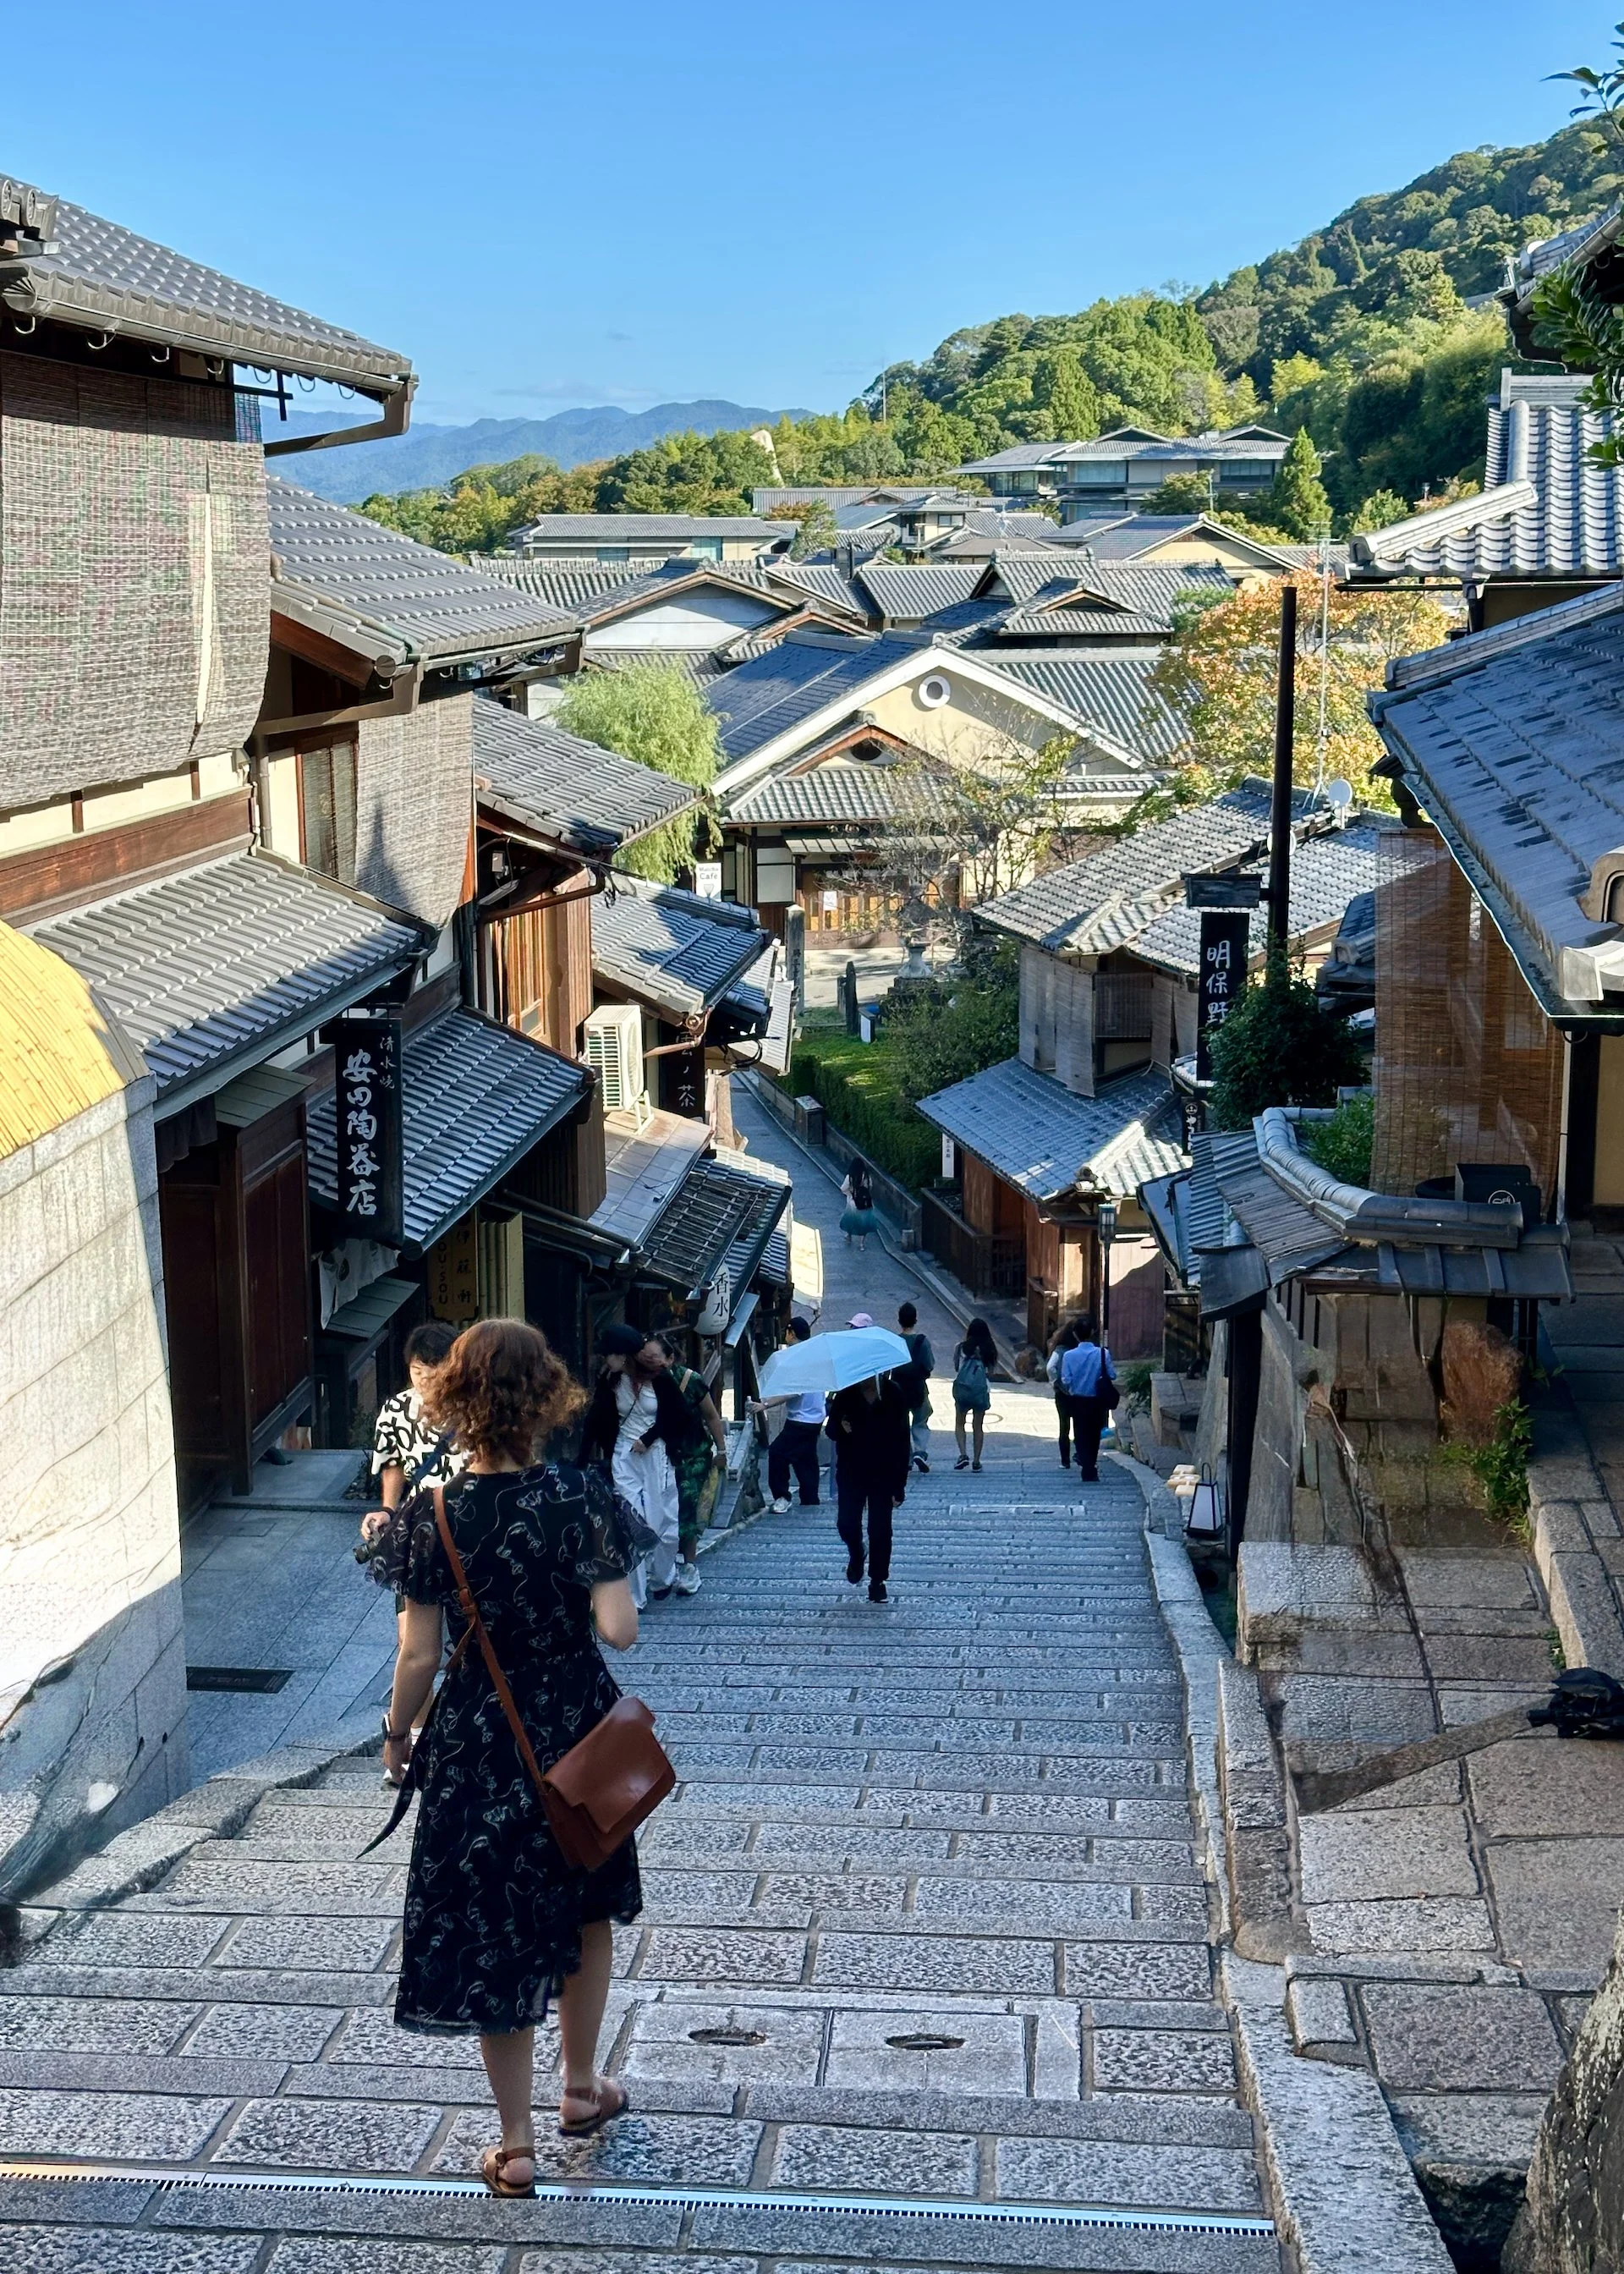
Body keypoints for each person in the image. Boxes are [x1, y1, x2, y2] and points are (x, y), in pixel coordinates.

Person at [370, 1319, 653, 2195]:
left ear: (455, 1402)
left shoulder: (434, 1516)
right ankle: (581, 2086)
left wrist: (395, 1735)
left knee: (497, 1927)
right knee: (584, 1904)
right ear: (546, 1400)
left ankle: (516, 2142)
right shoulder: (579, 1496)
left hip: (480, 1743)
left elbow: (417, 1657)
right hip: (574, 1731)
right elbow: (621, 1630)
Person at [362, 1322, 472, 1744]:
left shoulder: (473, 1409)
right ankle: (420, 1734)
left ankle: (464, 1724)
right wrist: (388, 1510)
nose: (424, 1381)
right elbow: (392, 1465)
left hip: (467, 1533)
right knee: (412, 1642)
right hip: (417, 1539)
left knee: (467, 1639)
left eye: (433, 1370)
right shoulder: (395, 1410)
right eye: (416, 1371)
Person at [579, 1326, 700, 1606]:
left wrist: (648, 1438)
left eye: (608, 1354)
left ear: (622, 1355)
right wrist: (581, 1461)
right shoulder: (609, 1380)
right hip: (624, 1454)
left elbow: (679, 1415)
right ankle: (635, 1597)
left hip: (656, 1454)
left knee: (662, 1523)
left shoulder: (659, 1378)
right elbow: (595, 1420)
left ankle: (663, 1577)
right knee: (629, 1522)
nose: (605, 1359)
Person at [827, 1364, 910, 1603]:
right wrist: (841, 1427)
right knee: (846, 1523)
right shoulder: (846, 1395)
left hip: (883, 1472)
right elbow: (831, 1430)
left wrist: (899, 1485)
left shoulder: (893, 1394)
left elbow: (902, 1440)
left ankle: (878, 1580)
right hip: (852, 1470)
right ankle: (856, 1551)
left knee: (880, 1528)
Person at [659, 1337, 727, 1590]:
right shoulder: (645, 1383)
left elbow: (711, 1416)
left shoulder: (690, 1381)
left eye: (658, 1359)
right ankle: (665, 1568)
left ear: (670, 1358)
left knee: (685, 1509)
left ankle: (689, 1568)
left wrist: (721, 1449)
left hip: (692, 1456)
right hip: (661, 1456)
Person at [765, 1316, 826, 1512]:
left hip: (800, 1419)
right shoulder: (816, 1354)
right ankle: (810, 1498)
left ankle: (782, 1496)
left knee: (777, 1453)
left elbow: (793, 1391)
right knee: (805, 1458)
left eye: (786, 1331)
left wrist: (764, 1405)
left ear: (791, 1333)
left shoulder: (797, 1356)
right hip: (815, 1416)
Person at [1057, 1315, 1117, 1484]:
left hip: (1077, 1400)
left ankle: (1086, 1465)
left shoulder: (1069, 1356)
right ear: (1092, 1332)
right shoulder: (1102, 1353)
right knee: (1094, 1434)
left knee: (1080, 1433)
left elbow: (1066, 1380)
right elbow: (1112, 1374)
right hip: (1097, 1400)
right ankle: (1090, 1465)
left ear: (1075, 1334)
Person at [950, 1317, 997, 1472]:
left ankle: (963, 1454)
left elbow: (957, 1368)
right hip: (981, 1390)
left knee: (959, 1423)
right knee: (978, 1426)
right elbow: (991, 1372)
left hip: (963, 1389)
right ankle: (976, 1462)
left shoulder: (961, 1347)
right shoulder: (989, 1349)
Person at [897, 1300, 934, 1475]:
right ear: (915, 1320)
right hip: (918, 1386)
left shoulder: (895, 1341)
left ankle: (906, 1457)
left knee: (901, 1424)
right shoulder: (922, 1341)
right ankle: (920, 1451)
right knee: (920, 1420)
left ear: (899, 1320)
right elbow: (929, 1364)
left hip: (897, 1388)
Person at [1046, 1317, 1083, 1469]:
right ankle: (1080, 1454)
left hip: (1062, 1393)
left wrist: (1055, 1382)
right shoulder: (1081, 1350)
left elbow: (1050, 1368)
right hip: (1080, 1393)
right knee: (1080, 1425)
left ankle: (1065, 1461)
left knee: (1064, 1427)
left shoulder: (1060, 1350)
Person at [839, 1162, 880, 1251]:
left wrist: (849, 1194)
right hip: (865, 1203)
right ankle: (861, 1244)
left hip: (853, 1202)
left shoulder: (850, 1177)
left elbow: (843, 1188)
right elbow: (870, 1186)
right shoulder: (866, 1177)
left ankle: (849, 1236)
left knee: (850, 1220)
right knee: (863, 1223)